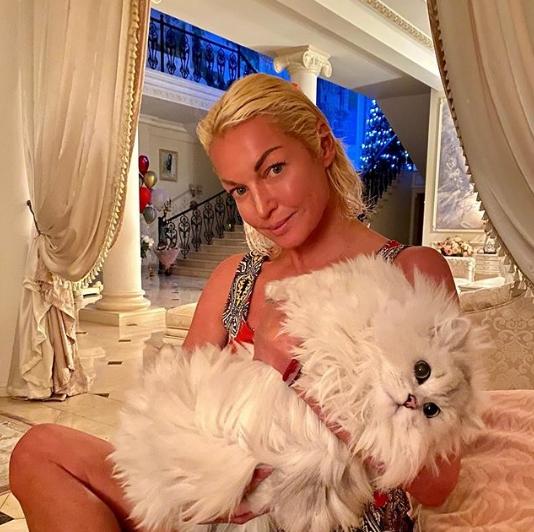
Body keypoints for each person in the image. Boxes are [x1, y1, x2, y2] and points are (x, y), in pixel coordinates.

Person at [10, 73, 460, 531]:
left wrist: (299, 376)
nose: (261, 207)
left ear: (323, 146)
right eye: (239, 190)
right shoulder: (235, 280)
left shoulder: (411, 273)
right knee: (40, 451)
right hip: (217, 501)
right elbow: (169, 417)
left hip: (332, 517)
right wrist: (208, 485)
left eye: (274, 169)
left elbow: (438, 484)